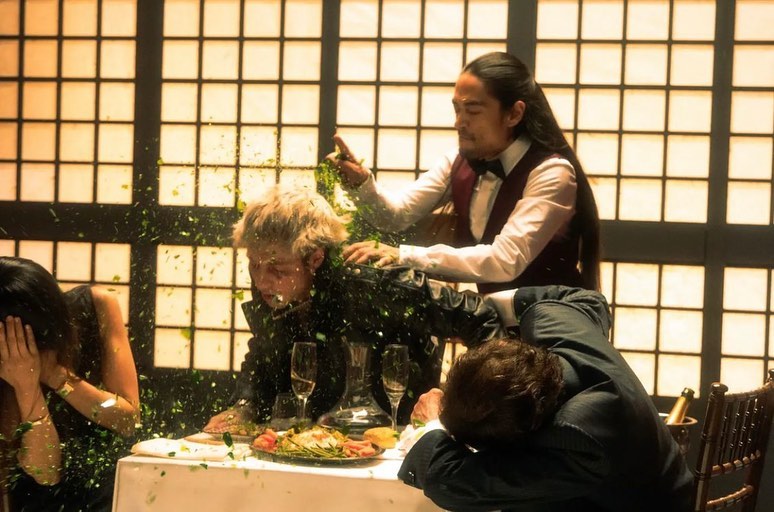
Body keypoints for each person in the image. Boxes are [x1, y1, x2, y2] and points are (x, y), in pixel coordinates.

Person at [204, 185, 504, 432]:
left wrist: (454, 403)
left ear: (315, 258)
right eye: (253, 265)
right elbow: (263, 352)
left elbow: (482, 318)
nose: (261, 280)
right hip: (310, 439)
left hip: (395, 438)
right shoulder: (271, 287)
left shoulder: (375, 283)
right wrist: (244, 405)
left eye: (277, 269)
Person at [398, 286, 692, 512]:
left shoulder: (576, 440)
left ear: (524, 434)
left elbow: (450, 483)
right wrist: (484, 306)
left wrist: (431, 425)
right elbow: (585, 298)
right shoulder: (553, 323)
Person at [329, 51, 601, 293]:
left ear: (514, 114)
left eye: (472, 111)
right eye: (457, 109)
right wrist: (361, 184)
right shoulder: (457, 164)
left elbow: (505, 260)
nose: (459, 123)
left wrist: (406, 256)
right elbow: (396, 216)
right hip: (496, 321)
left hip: (551, 319)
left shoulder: (552, 172)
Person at [0, 257, 140, 512]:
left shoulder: (96, 306)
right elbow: (46, 473)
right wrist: (26, 386)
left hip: (107, 490)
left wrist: (56, 375)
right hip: (36, 499)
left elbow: (127, 419)